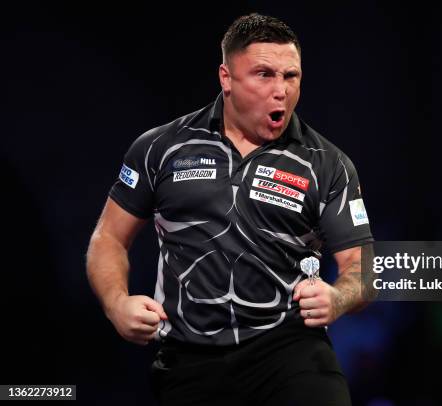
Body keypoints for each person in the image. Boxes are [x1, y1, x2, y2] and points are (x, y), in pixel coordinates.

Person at [86, 13, 374, 406]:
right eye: (264, 74)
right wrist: (116, 303)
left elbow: (364, 267)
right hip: (187, 360)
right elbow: (108, 239)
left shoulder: (327, 164)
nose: (281, 91)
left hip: (290, 353)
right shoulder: (159, 148)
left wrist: (337, 298)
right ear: (226, 78)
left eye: (291, 77)